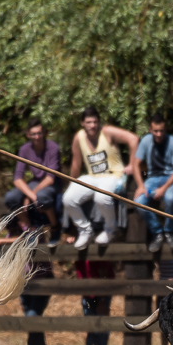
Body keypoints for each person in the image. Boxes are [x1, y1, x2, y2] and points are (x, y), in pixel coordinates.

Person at [63, 107, 139, 250]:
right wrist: (72, 184)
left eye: (95, 122)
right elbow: (76, 163)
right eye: (89, 122)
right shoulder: (78, 137)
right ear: (82, 123)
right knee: (68, 198)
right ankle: (85, 230)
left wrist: (132, 164)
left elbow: (133, 139)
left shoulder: (107, 132)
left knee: (101, 197)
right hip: (93, 177)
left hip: (114, 176)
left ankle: (111, 229)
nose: (92, 125)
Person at [4, 118, 63, 247]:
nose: (37, 137)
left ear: (44, 133)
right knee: (11, 198)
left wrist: (32, 196)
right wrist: (30, 196)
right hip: (34, 184)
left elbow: (50, 178)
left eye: (39, 133)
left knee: (42, 197)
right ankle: (31, 228)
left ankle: (55, 227)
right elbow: (17, 178)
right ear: (28, 135)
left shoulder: (53, 147)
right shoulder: (24, 149)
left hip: (51, 184)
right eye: (33, 134)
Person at [133, 113, 173, 252]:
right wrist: (140, 186)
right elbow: (136, 164)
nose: (159, 134)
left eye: (162, 130)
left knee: (170, 197)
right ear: (150, 129)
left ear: (165, 129)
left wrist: (164, 189)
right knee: (138, 202)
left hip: (171, 178)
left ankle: (169, 231)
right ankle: (157, 232)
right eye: (156, 131)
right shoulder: (146, 141)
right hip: (152, 179)